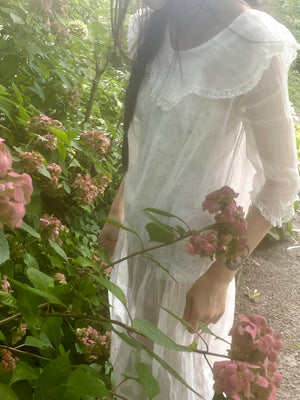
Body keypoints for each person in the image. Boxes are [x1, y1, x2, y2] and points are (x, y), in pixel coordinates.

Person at [98, 0, 300, 398]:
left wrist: (221, 275)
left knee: (175, 383)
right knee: (135, 378)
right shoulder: (155, 24)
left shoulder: (252, 44)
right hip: (138, 252)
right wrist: (118, 209)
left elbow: (282, 181)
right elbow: (148, 140)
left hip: (190, 275)